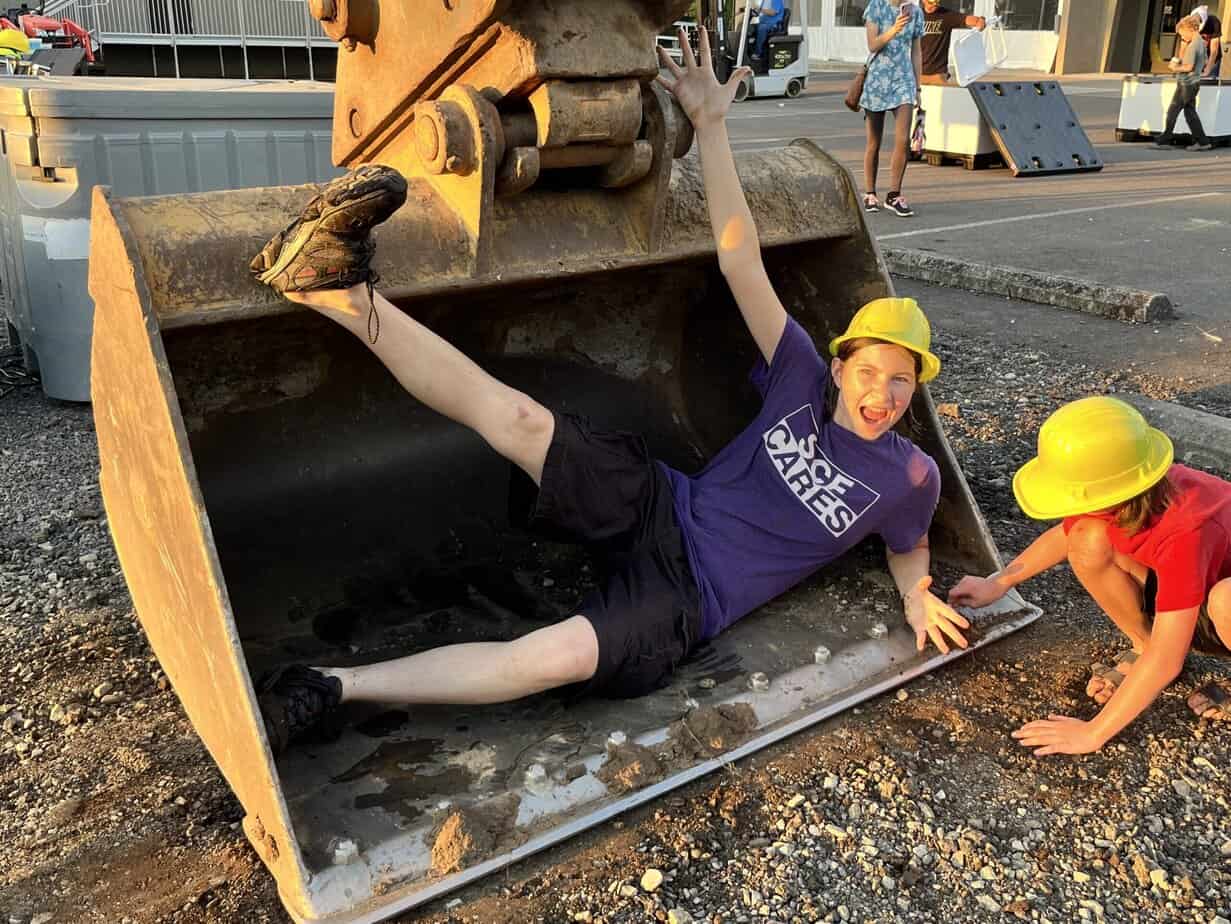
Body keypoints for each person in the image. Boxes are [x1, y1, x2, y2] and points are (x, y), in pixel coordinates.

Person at [249, 28, 972, 754]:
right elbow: (738, 258)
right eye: (868, 373)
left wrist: (916, 593)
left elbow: (906, 543)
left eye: (899, 381)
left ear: (915, 387)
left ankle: (330, 682)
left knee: (547, 660)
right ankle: (334, 292)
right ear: (842, 367)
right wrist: (713, 127)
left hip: (689, 599)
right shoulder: (799, 377)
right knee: (522, 419)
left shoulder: (909, 475)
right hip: (660, 503)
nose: (880, 394)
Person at [948, 397, 1231, 756]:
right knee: (1088, 538)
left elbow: (1167, 657)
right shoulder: (1133, 485)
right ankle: (1139, 645)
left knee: (1227, 600)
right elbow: (1069, 537)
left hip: (1219, 598)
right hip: (1197, 585)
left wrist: (1092, 733)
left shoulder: (1186, 530)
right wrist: (999, 581)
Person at [859, 0, 924, 218]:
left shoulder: (915, 12)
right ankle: (870, 193)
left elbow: (916, 51)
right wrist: (894, 29)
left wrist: (918, 86)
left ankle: (894, 195)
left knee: (903, 140)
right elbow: (872, 44)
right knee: (873, 142)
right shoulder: (876, 7)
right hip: (877, 79)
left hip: (903, 80)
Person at [1155, 15, 1213, 152]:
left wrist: (1175, 68)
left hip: (1187, 83)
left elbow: (1188, 67)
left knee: (1173, 110)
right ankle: (1203, 142)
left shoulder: (1193, 45)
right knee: (1190, 113)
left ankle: (1164, 140)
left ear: (1189, 29)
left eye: (1182, 34)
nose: (1182, 37)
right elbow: (1204, 61)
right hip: (1193, 82)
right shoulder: (1201, 42)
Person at [919, 0, 986, 85]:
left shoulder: (946, 15)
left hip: (937, 75)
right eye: (931, 2)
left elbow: (967, 19)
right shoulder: (915, 16)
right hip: (917, 74)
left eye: (936, 2)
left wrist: (979, 20)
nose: (934, 5)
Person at [1199, 10, 1223, 78]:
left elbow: (1214, 51)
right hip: (1198, 57)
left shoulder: (1214, 22)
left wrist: (1207, 71)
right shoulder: (1190, 24)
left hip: (1213, 59)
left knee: (1210, 81)